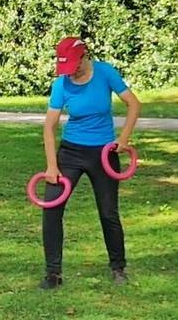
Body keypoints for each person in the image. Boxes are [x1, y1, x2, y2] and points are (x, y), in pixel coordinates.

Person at [38, 36, 142, 288]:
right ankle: (54, 274)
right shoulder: (62, 84)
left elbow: (133, 104)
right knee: (51, 209)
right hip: (71, 153)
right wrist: (52, 166)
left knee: (108, 212)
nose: (69, 71)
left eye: (72, 64)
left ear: (84, 57)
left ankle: (118, 267)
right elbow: (49, 127)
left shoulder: (105, 73)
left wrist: (124, 139)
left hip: (103, 153)